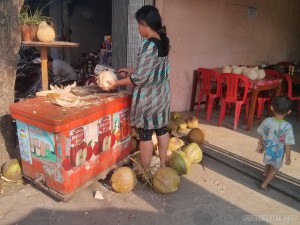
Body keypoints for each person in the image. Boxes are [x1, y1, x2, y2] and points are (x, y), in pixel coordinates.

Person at [105, 5, 171, 170]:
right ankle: (163, 164)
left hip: (149, 98)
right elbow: (152, 69)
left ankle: (146, 171)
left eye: (138, 25)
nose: (138, 29)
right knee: (162, 130)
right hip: (162, 95)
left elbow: (140, 78)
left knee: (146, 135)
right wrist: (130, 70)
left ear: (145, 24)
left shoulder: (149, 45)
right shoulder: (162, 41)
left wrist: (115, 83)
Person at [256, 96, 295, 191]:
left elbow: (261, 133)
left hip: (268, 149)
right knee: (274, 169)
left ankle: (265, 173)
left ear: (272, 108)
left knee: (268, 162)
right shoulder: (287, 126)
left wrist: (260, 145)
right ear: (289, 111)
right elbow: (288, 143)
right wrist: (288, 157)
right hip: (278, 153)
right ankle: (264, 184)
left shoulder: (267, 121)